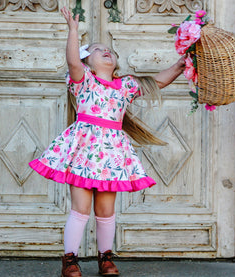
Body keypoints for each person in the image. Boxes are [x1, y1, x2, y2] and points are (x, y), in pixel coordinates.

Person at [29, 7, 185, 277]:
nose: (106, 51)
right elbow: (73, 62)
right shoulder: (84, 81)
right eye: (97, 50)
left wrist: (180, 66)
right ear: (88, 62)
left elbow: (157, 82)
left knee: (106, 209)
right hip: (83, 152)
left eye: (109, 50)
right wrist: (73, 32)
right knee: (80, 208)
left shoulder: (125, 86)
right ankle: (70, 260)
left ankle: (106, 258)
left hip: (111, 154)